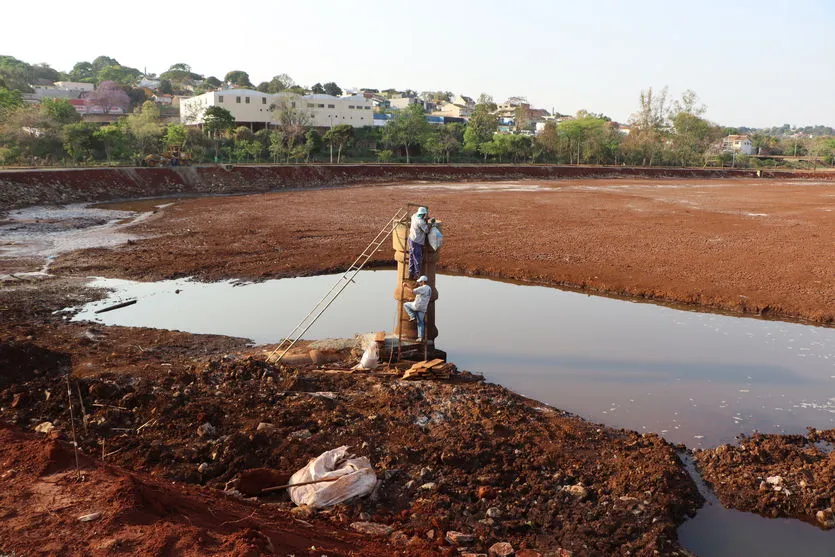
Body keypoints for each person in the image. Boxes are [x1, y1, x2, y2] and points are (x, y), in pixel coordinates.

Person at [403, 275, 431, 342]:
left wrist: (406, 286)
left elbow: (412, 291)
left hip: (417, 306)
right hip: (423, 308)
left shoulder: (422, 288)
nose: (419, 283)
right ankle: (420, 337)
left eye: (420, 282)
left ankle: (412, 316)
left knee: (406, 304)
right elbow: (422, 297)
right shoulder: (429, 289)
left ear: (423, 282)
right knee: (421, 322)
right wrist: (412, 299)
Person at [408, 206, 431, 279]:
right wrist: (431, 225)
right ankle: (417, 275)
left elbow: (419, 218)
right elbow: (426, 230)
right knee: (417, 258)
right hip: (416, 241)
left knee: (412, 257)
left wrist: (425, 219)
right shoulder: (420, 222)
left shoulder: (414, 216)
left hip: (411, 239)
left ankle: (411, 273)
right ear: (423, 214)